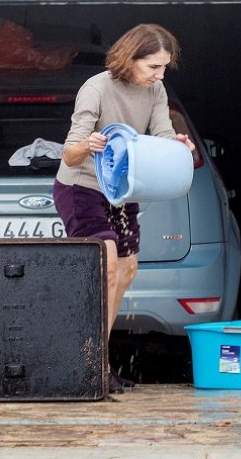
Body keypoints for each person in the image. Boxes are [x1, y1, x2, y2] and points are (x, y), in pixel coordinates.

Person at [52, 24, 196, 393]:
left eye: (164, 67)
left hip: (121, 187)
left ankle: (97, 356)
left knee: (128, 269)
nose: (160, 75)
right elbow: (69, 152)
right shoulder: (96, 89)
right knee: (108, 267)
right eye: (153, 67)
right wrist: (89, 144)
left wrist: (178, 144)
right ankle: (89, 362)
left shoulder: (156, 89)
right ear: (129, 59)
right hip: (81, 185)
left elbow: (161, 134)